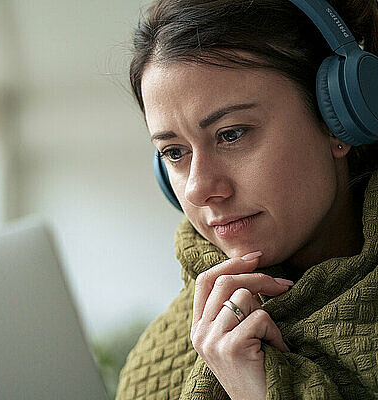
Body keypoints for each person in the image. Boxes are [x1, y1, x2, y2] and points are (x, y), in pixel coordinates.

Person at [115, 0, 378, 399]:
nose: (198, 189)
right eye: (174, 152)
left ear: (336, 120)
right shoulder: (152, 367)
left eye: (232, 134)